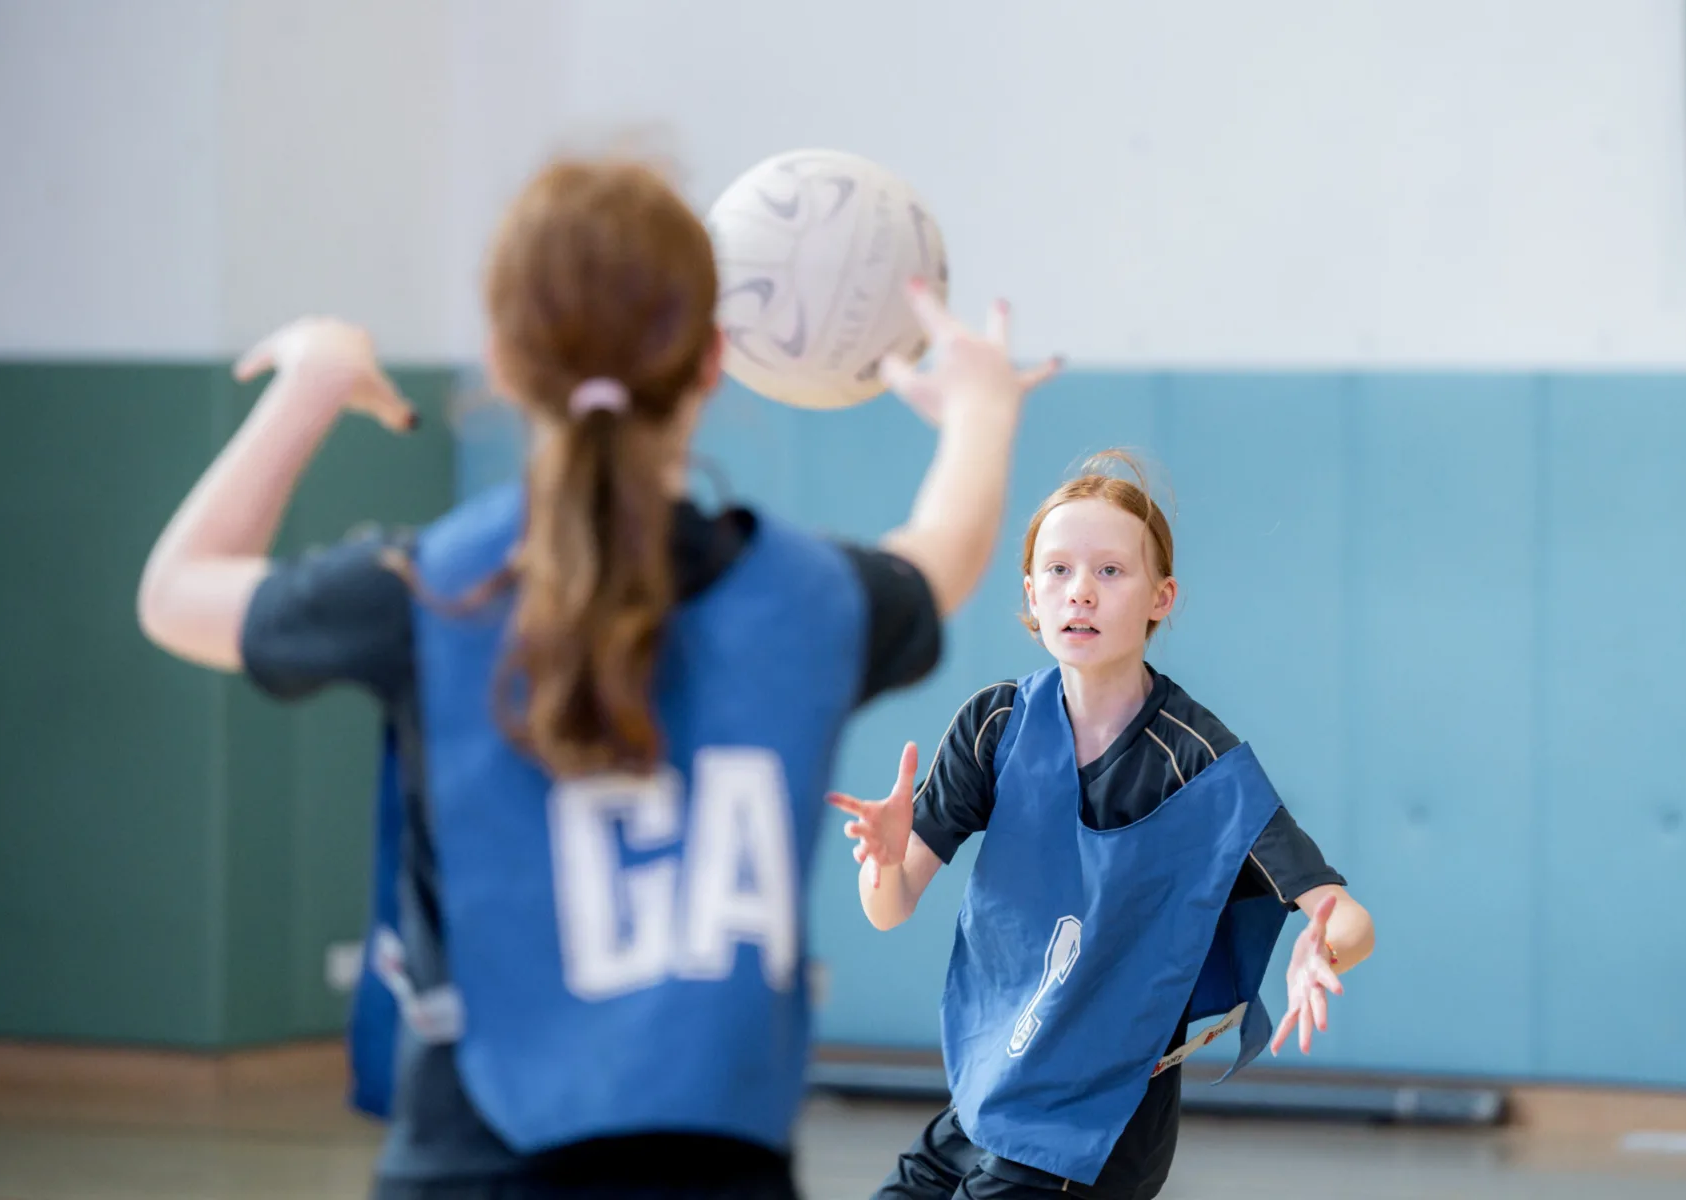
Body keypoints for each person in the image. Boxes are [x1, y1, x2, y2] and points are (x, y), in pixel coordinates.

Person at [136, 156, 1059, 1199]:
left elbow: (177, 591)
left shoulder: (430, 593)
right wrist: (982, 410)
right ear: (714, 360)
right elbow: (944, 550)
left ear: (502, 358)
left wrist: (310, 383)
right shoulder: (807, 601)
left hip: (471, 1169)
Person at [830, 452, 1376, 1200]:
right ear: (1030, 593)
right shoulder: (996, 727)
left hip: (1098, 1123)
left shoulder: (1200, 764)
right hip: (994, 1099)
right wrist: (884, 862)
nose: (1079, 591)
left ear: (1161, 596)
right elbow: (888, 911)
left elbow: (1345, 915)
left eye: (1110, 572)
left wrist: (1325, 946)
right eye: (1057, 570)